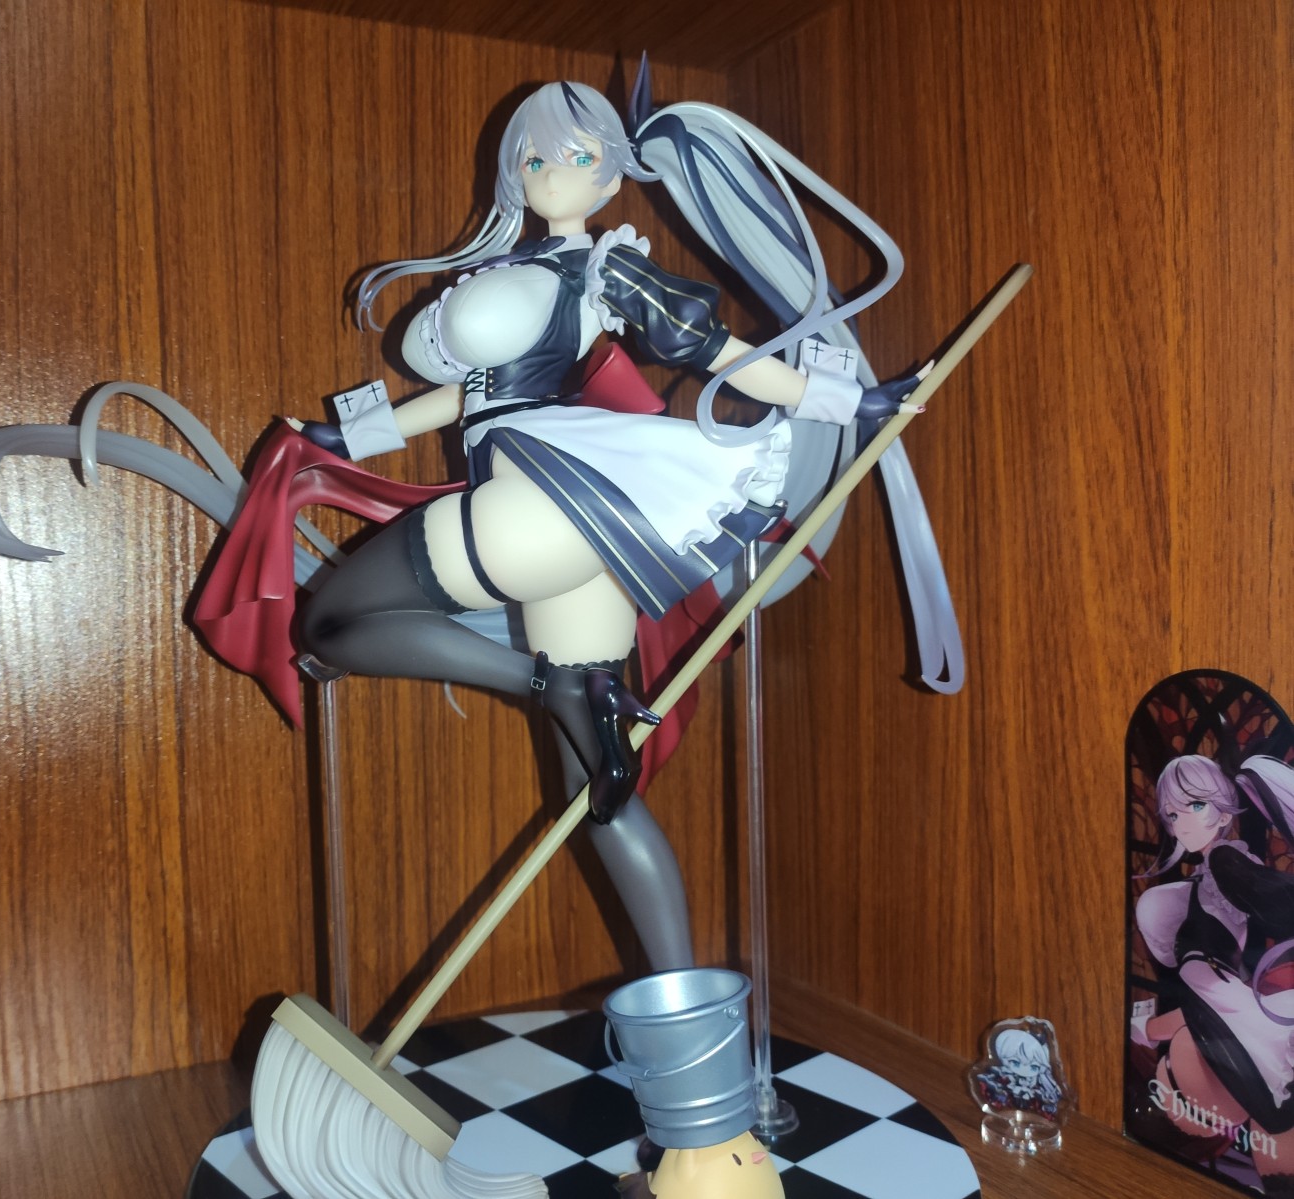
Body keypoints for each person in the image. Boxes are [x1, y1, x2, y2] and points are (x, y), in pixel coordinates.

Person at [285, 79, 921, 972]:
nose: (551, 172)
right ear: (515, 169)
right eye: (534, 157)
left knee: (326, 624)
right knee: (600, 798)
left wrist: (847, 399)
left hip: (537, 503)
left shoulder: (604, 270)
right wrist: (348, 435)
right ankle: (692, 1043)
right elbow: (469, 396)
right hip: (575, 531)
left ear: (613, 175)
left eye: (578, 156)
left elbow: (715, 351)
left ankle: (547, 683)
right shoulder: (528, 275)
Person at [1134, 753, 1294, 1192]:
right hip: (1214, 997)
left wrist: (1146, 1028)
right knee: (1267, 1110)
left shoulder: (1225, 862)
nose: (1181, 823)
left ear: (1223, 812)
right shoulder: (1208, 873)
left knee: (1270, 1107)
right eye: (1172, 814)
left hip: (1220, 997)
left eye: (1196, 805)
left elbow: (1279, 901)